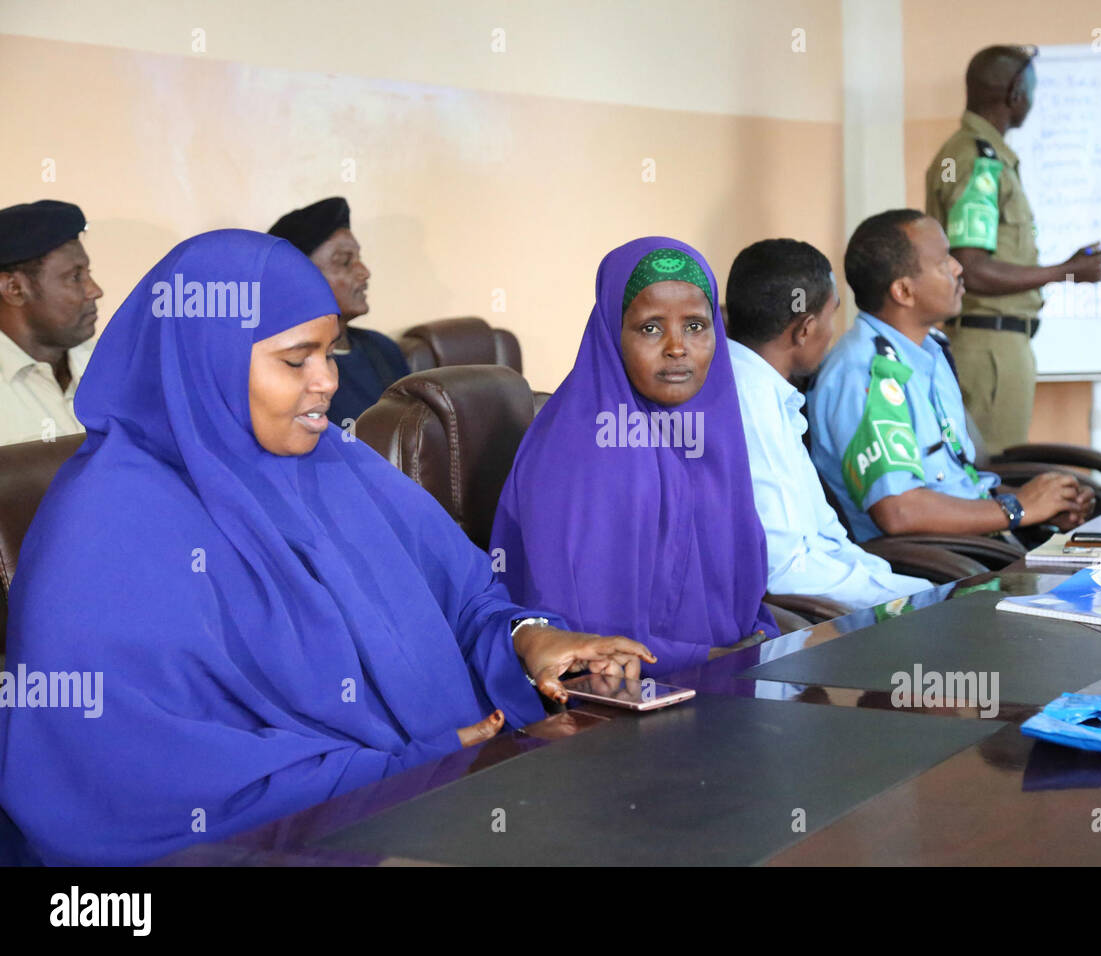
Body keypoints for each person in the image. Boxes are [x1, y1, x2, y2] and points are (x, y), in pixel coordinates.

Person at [0, 230, 651, 866]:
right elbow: (131, 773)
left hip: (452, 793)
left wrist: (527, 639)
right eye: (294, 359)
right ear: (209, 363)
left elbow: (464, 599)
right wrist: (402, 769)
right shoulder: (106, 528)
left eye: (330, 353)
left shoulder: (336, 465)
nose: (326, 382)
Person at [491, 237, 778, 676]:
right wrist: (719, 660)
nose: (677, 347)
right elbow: (591, 643)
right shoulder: (581, 451)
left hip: (724, 676)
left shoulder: (711, 430)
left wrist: (754, 646)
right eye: (650, 328)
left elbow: (744, 601)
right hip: (610, 704)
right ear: (611, 334)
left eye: (696, 326)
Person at [807, 210, 1093, 543]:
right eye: (944, 262)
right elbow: (899, 511)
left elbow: (958, 478)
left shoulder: (930, 349)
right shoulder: (868, 373)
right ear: (903, 291)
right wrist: (1017, 509)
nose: (958, 269)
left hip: (980, 539)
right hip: (936, 564)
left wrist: (1045, 503)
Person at [723, 238, 932, 610]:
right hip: (807, 629)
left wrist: (915, 589)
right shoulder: (750, 403)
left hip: (831, 594)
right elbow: (786, 571)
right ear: (804, 329)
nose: (835, 330)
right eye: (833, 315)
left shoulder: (767, 389)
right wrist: (912, 600)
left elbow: (827, 538)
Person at [924, 45, 1101, 453]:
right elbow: (972, 268)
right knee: (991, 484)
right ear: (1014, 96)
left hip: (995, 346)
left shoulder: (983, 156)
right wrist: (1067, 271)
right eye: (1031, 91)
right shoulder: (979, 162)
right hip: (990, 351)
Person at [268, 197, 410, 427]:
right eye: (344, 261)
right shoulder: (287, 366)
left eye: (359, 258)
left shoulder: (383, 349)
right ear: (298, 278)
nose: (364, 272)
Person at [0, 200, 103, 445]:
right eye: (75, 277)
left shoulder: (109, 365)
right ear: (14, 289)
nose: (95, 291)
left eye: (89, 273)